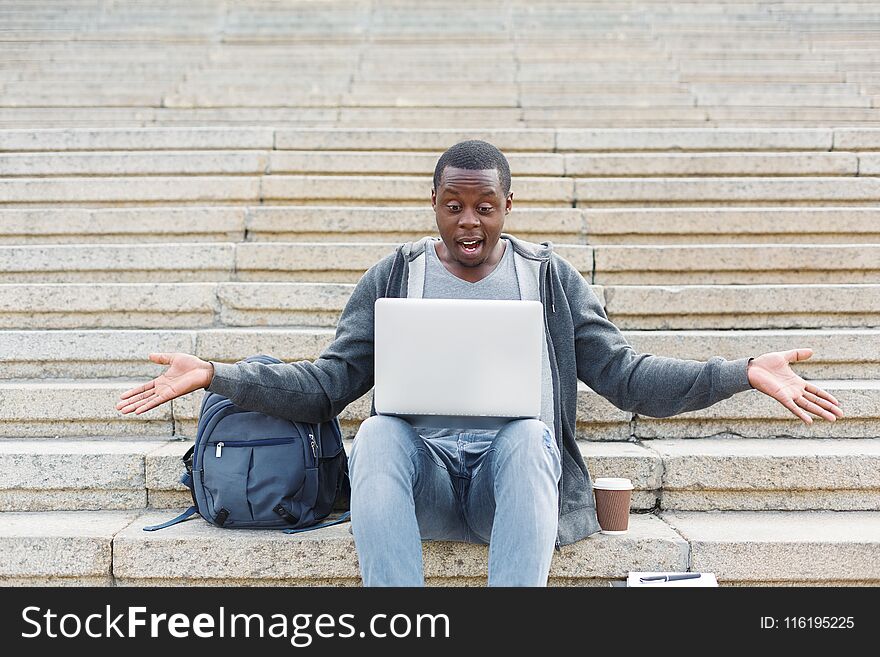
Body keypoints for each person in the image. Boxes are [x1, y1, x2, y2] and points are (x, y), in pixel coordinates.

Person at [117, 139, 844, 587]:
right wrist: (221, 373)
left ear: (507, 205)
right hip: (424, 485)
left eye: (485, 206)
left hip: (511, 490)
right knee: (377, 432)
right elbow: (328, 382)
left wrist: (743, 369)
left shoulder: (549, 277)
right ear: (433, 203)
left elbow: (625, 375)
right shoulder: (394, 275)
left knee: (528, 432)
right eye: (454, 205)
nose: (470, 222)